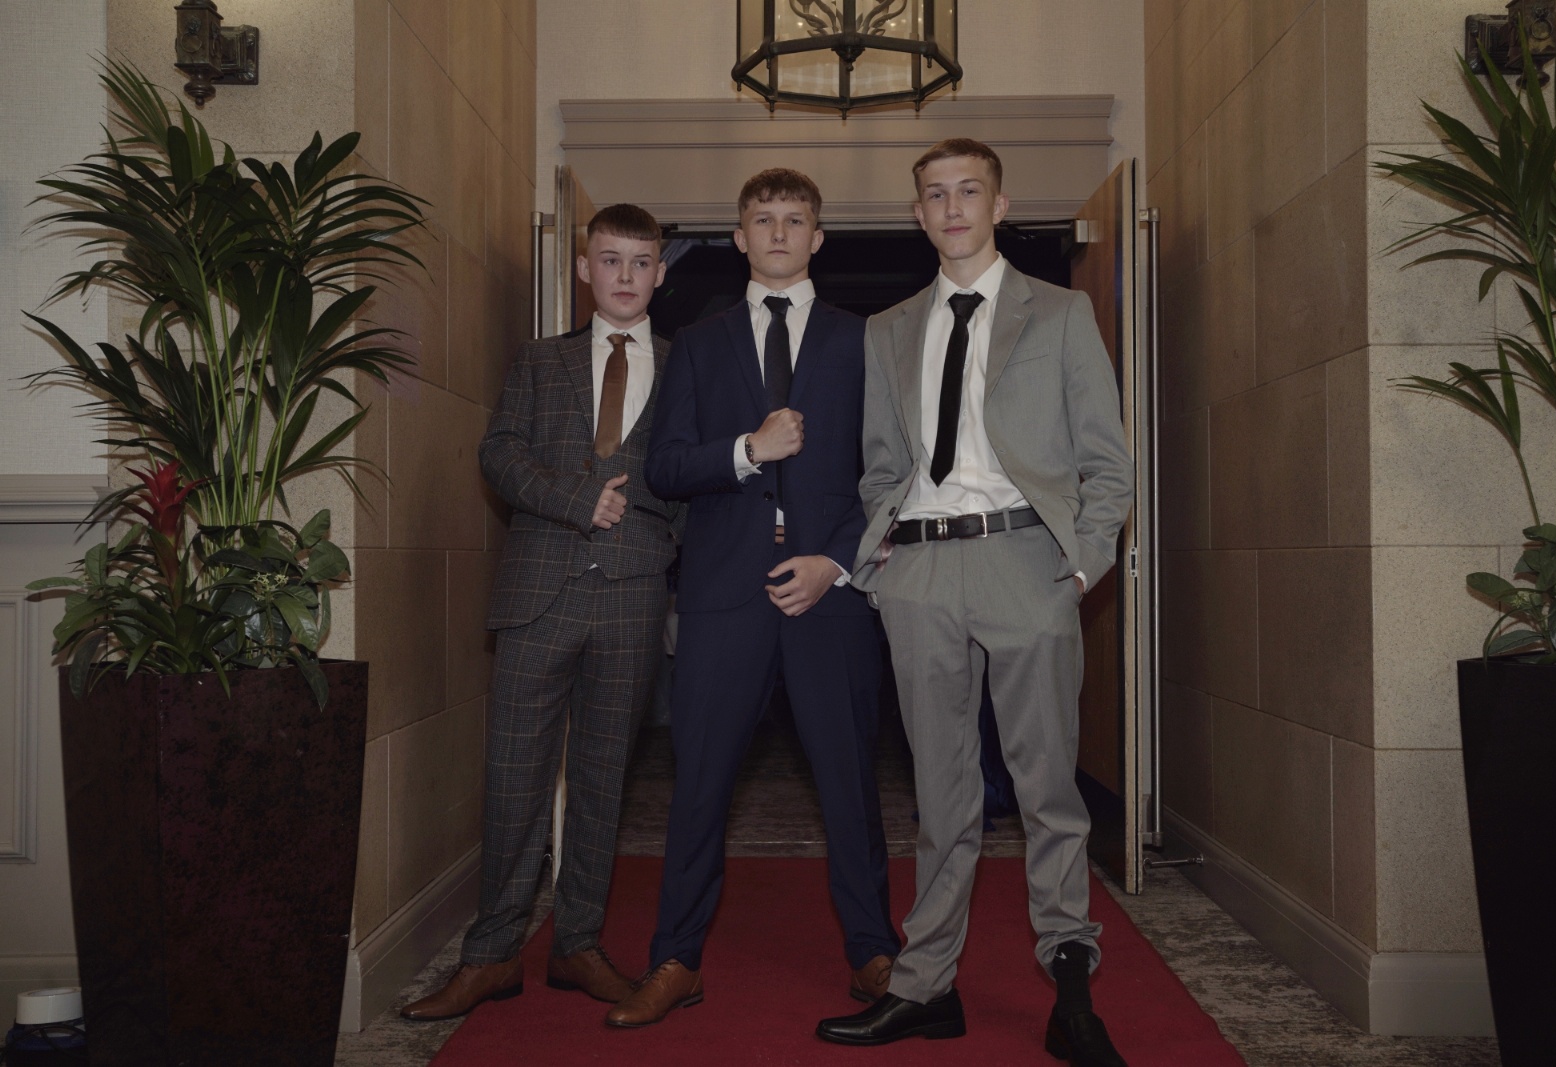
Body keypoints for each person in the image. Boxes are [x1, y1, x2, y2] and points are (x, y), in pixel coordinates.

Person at [815, 139, 1135, 1066]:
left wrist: (1081, 566)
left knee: (1047, 788)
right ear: (918, 213)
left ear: (999, 205)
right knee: (941, 794)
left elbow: (1107, 462)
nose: (952, 207)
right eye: (935, 194)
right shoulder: (888, 328)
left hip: (1026, 563)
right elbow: (882, 463)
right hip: (919, 573)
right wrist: (882, 565)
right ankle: (926, 986)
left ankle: (1071, 987)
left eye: (968, 191)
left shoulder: (1062, 312)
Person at [605, 168, 900, 1028]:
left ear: (818, 237)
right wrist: (746, 449)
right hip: (723, 597)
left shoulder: (864, 340)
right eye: (762, 219)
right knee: (698, 786)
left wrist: (835, 562)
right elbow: (665, 467)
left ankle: (873, 951)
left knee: (849, 783)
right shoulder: (698, 343)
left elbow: (892, 473)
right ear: (739, 237)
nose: (777, 232)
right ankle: (676, 958)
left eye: (794, 219)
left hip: (830, 597)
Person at [402, 204, 679, 1022]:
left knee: (602, 778)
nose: (625, 275)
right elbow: (499, 452)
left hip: (633, 593)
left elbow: (692, 475)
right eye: (611, 259)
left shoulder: (685, 365)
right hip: (537, 592)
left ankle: (577, 944)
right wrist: (573, 499)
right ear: (585, 269)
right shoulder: (538, 360)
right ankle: (490, 954)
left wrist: (666, 546)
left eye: (641, 261)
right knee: (513, 776)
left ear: (660, 274)